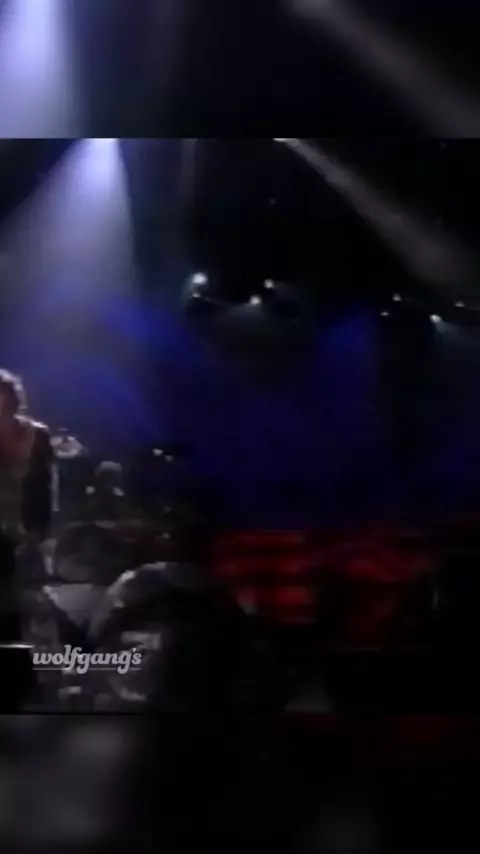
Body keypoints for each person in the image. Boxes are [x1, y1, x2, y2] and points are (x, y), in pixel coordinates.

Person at [0, 369, 55, 642]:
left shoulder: (38, 435)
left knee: (25, 598)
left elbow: (45, 485)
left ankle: (19, 649)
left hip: (26, 527)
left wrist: (40, 528)